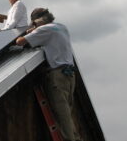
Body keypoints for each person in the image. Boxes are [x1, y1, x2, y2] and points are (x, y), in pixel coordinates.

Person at [16, 8, 81, 141]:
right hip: (69, 75)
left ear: (36, 22)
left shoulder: (43, 30)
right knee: (67, 113)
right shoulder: (62, 27)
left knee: (62, 115)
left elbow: (20, 41)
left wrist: (31, 32)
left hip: (57, 76)